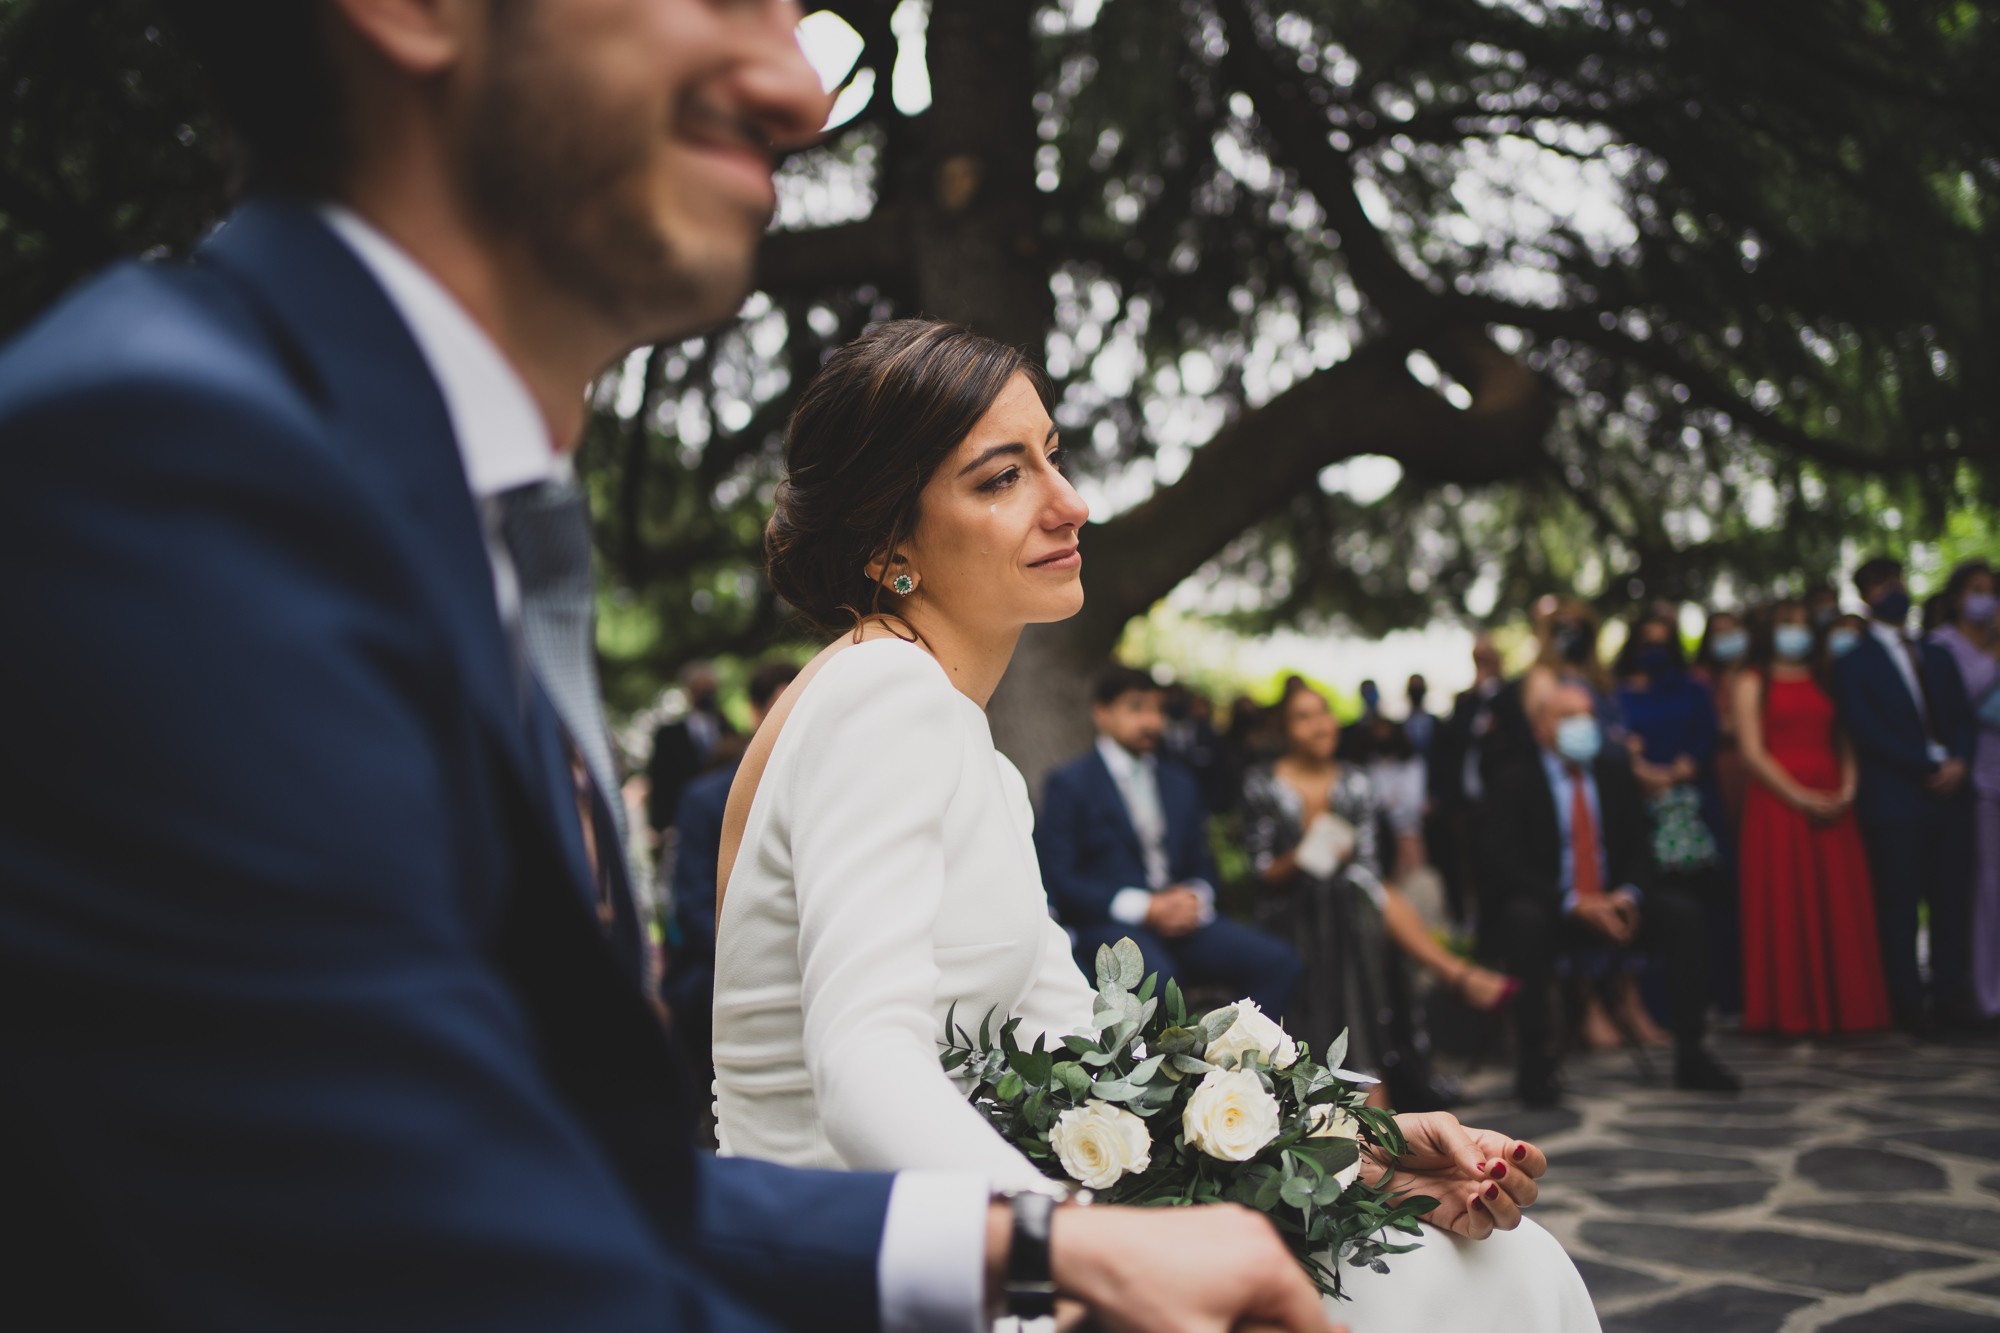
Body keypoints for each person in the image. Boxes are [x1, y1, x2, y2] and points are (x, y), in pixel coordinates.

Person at [0, 5, 1347, 1330]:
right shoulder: (164, 468)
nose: (800, 89)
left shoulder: (453, 510)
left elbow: (560, 1173)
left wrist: (1052, 1247)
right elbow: (387, 1244)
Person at [710, 319, 1602, 1331]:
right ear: (887, 545)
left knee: (1481, 1263)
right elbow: (861, 1064)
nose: (1069, 501)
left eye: (1051, 454)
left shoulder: (969, 752)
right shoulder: (883, 691)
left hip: (965, 1225)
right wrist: (1086, 1255)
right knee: (1492, 1281)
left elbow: (1073, 1032)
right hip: (869, 1270)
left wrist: (1346, 1148)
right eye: (1000, 478)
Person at [1241, 681, 1518, 1105]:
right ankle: (1453, 977)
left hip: (1352, 903)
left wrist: (1337, 857)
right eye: (1304, 717)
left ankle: (1367, 1081)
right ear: (1285, 729)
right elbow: (1262, 871)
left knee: (1351, 896)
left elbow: (1366, 865)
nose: (1320, 725)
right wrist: (1306, 852)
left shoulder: (1356, 781)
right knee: (1350, 900)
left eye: (1324, 712)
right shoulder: (1262, 782)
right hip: (1290, 907)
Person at [1483, 681, 1740, 1106]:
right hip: (1554, 908)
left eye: (1587, 715)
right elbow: (1503, 863)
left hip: (1614, 904)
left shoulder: (1614, 773)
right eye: (1568, 717)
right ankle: (1536, 1063)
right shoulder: (1513, 779)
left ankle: (1693, 1054)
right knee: (1522, 920)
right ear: (1540, 729)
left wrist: (1628, 895)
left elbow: (1640, 850)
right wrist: (1572, 902)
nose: (1582, 725)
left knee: (1683, 913)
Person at [1038, 666, 1302, 1018]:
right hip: (1110, 925)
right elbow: (1060, 877)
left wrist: (1194, 897)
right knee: (1160, 984)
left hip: (1183, 922)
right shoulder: (1070, 784)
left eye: (1158, 710)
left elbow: (1202, 863)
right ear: (1102, 714)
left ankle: (1240, 1067)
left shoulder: (1179, 781)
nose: (1152, 721)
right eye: (1137, 708)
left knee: (1279, 962)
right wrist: (1146, 908)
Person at [1834, 555, 1978, 1034]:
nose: (1892, 589)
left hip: (1951, 796)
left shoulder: (1935, 653)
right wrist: (1926, 764)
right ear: (1865, 595)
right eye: (1880, 584)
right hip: (1896, 798)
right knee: (1899, 904)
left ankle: (1952, 997)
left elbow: (1962, 716)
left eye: (1896, 580)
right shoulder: (1854, 662)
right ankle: (1908, 1004)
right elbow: (1866, 728)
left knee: (1951, 901)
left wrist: (1959, 760)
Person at [1733, 601, 1892, 1035]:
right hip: (1778, 804)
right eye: (1787, 624)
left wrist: (1848, 787)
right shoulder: (1753, 681)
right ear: (1770, 630)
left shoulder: (1828, 677)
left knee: (1838, 900)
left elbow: (1845, 738)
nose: (1796, 632)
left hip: (1834, 798)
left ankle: (1848, 1006)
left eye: (1804, 625)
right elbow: (1752, 752)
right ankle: (1791, 1010)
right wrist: (1799, 797)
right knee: (1786, 899)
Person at [665, 660, 800, 1076]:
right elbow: (693, 906)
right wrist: (765, 964)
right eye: (782, 709)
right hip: (726, 967)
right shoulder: (705, 799)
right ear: (757, 714)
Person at [1614, 611, 1734, 1024]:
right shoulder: (1620, 695)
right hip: (1645, 809)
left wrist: (1684, 768)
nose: (1654, 652)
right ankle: (1661, 1004)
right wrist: (1642, 772)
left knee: (1707, 902)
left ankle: (1717, 995)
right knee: (1661, 902)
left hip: (1696, 808)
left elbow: (1707, 736)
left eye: (1662, 644)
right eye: (1646, 643)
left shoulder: (1693, 690)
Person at [1928, 560, 2000, 1018]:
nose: (1985, 598)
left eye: (1990, 590)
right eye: (1976, 589)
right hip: (1976, 778)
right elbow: (1958, 703)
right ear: (1957, 597)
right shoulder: (1942, 646)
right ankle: (1983, 991)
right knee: (1985, 887)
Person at [648, 661, 741, 843]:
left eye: (710, 688)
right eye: (700, 688)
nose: (706, 694)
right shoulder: (668, 735)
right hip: (679, 823)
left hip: (722, 822)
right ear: (689, 691)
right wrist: (659, 826)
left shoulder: (727, 730)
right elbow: (659, 779)